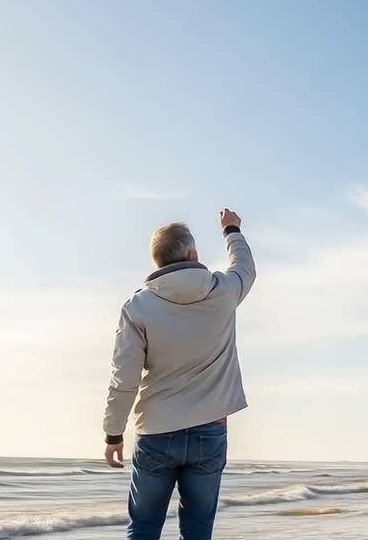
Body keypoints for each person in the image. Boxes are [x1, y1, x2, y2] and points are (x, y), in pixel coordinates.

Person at [102, 209, 257, 540]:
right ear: (193, 254)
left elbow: (124, 379)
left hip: (156, 432)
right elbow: (245, 268)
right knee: (198, 532)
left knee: (143, 528)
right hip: (209, 433)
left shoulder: (137, 307)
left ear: (157, 262)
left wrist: (113, 433)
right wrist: (232, 231)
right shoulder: (224, 290)